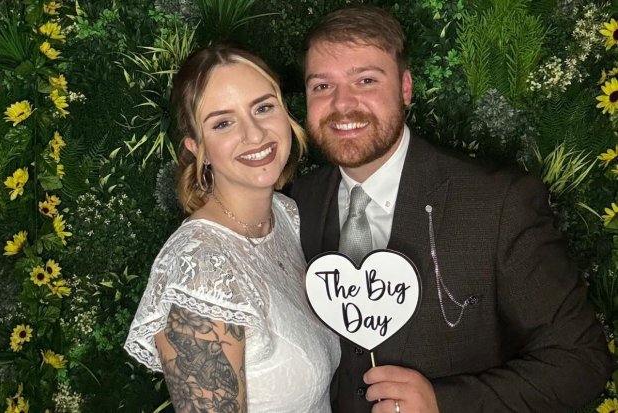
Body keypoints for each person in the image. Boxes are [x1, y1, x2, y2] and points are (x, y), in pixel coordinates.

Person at [290, 6, 614, 413]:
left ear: (405, 88)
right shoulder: (296, 203)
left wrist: (445, 403)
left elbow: (582, 360)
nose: (342, 104)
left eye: (366, 80)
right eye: (322, 86)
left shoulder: (499, 202)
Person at [124, 44, 340, 412]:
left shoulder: (285, 215)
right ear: (197, 146)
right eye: (223, 122)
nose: (255, 134)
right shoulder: (198, 272)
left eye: (262, 107)